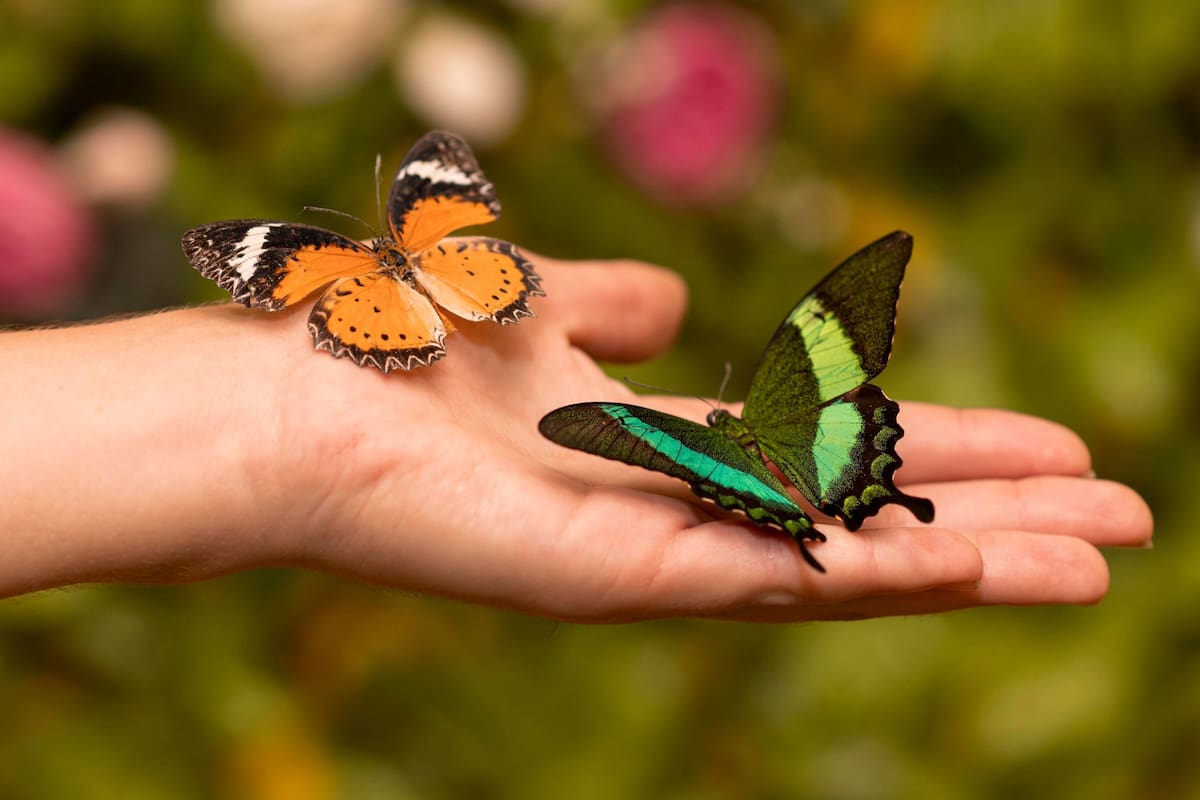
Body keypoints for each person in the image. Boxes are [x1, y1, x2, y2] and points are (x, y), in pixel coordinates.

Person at [0, 250, 1152, 621]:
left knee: (734, 455)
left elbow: (635, 435)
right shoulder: (704, 413)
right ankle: (831, 504)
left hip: (736, 466)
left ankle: (801, 517)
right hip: (812, 448)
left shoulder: (649, 429)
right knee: (808, 430)